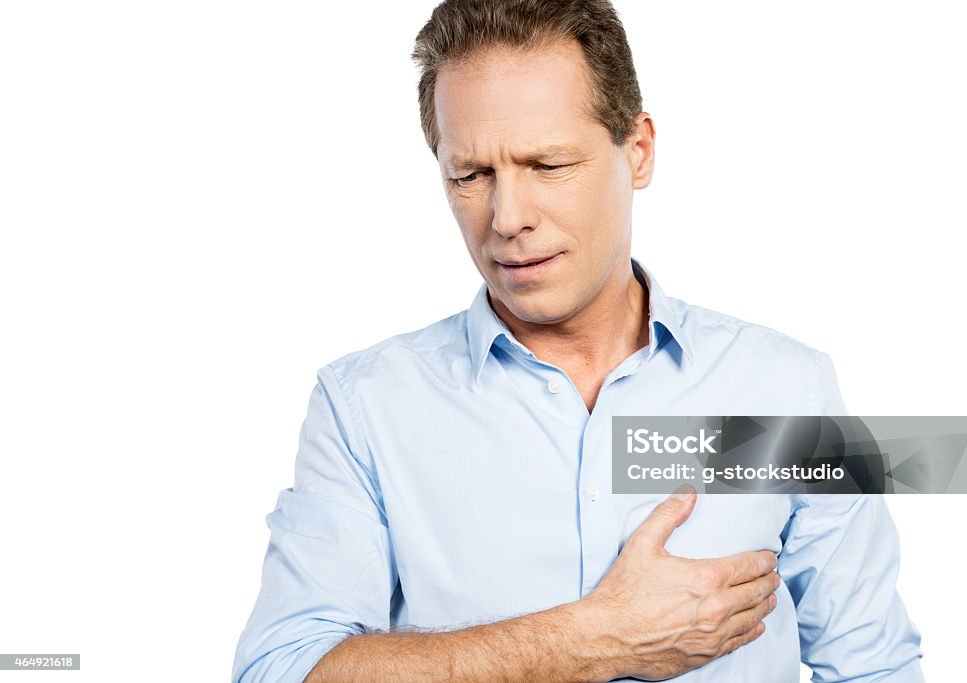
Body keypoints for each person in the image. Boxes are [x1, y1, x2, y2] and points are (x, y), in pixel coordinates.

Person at [232, 1, 924, 681]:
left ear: (639, 149)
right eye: (471, 175)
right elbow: (282, 670)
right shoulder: (365, 408)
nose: (507, 217)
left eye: (548, 165)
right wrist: (591, 639)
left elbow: (874, 665)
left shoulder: (788, 387)